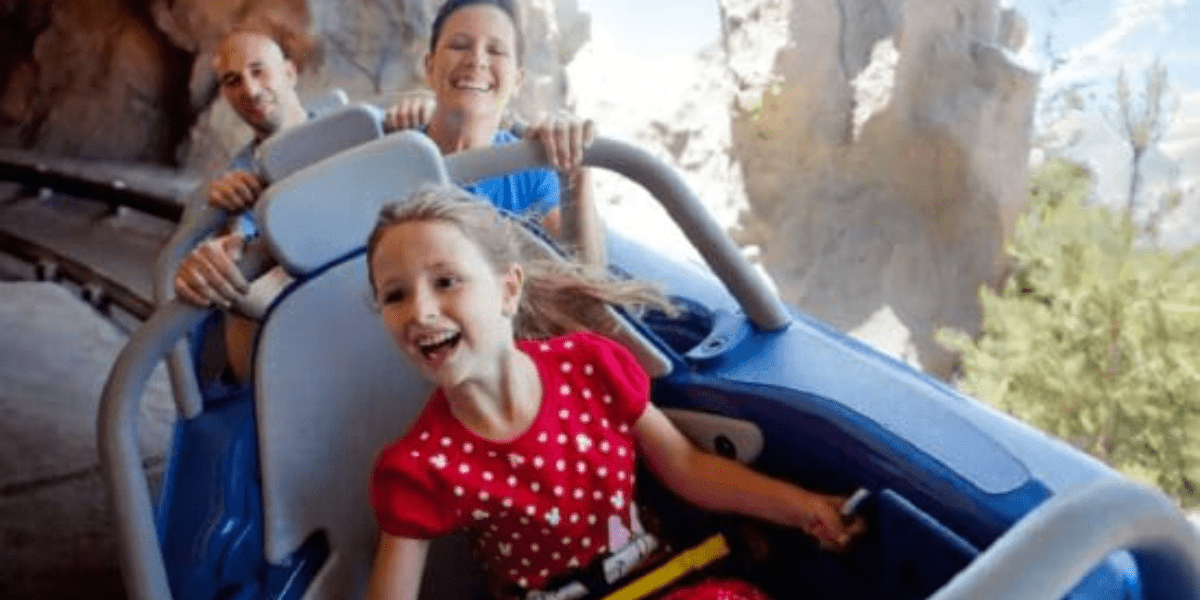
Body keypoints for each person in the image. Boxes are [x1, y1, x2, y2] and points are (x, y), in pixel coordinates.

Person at [364, 187, 867, 600]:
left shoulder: (590, 365)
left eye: (445, 282)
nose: (420, 311)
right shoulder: (421, 467)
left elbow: (687, 469)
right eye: (395, 295)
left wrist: (804, 507)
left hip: (669, 581)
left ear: (508, 290)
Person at [175, 0, 601, 384]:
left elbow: (584, 290)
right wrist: (223, 265)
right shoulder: (380, 154)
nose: (476, 60)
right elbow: (303, 262)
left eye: (496, 50)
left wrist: (576, 178)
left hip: (487, 367)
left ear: (519, 78)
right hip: (388, 360)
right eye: (459, 45)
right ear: (430, 64)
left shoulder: (530, 170)